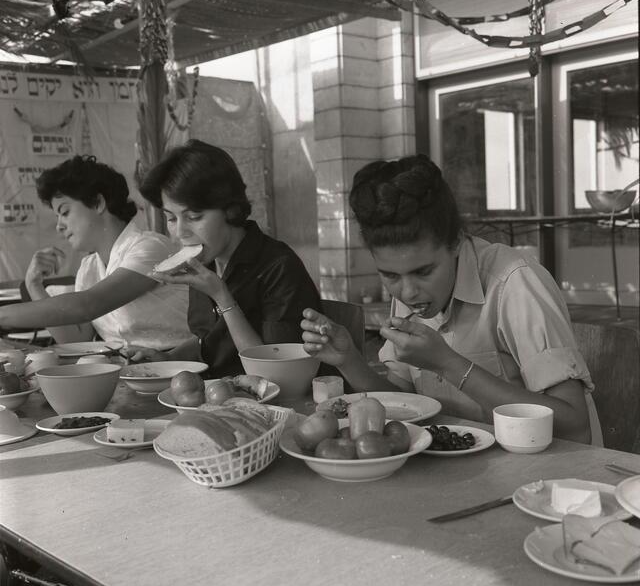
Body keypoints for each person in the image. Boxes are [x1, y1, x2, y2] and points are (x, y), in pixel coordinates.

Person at [301, 154, 598, 444]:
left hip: (546, 477)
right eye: (390, 276)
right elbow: (402, 403)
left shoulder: (514, 283)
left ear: (456, 242)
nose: (407, 292)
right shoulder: (413, 289)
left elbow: (574, 426)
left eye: (424, 271)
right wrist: (349, 360)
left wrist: (448, 365)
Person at [125, 139, 323, 378]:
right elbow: (210, 341)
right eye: (171, 218)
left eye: (194, 216)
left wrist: (222, 296)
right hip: (215, 394)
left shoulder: (278, 267)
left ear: (230, 209)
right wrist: (169, 357)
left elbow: (274, 372)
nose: (180, 232)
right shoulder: (206, 261)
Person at [0, 155, 193, 350]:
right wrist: (34, 287)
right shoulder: (89, 267)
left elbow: (88, 305)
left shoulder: (149, 247)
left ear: (98, 203)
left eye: (65, 212)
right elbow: (75, 340)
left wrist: (2, 316)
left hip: (181, 365)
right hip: (127, 371)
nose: (59, 226)